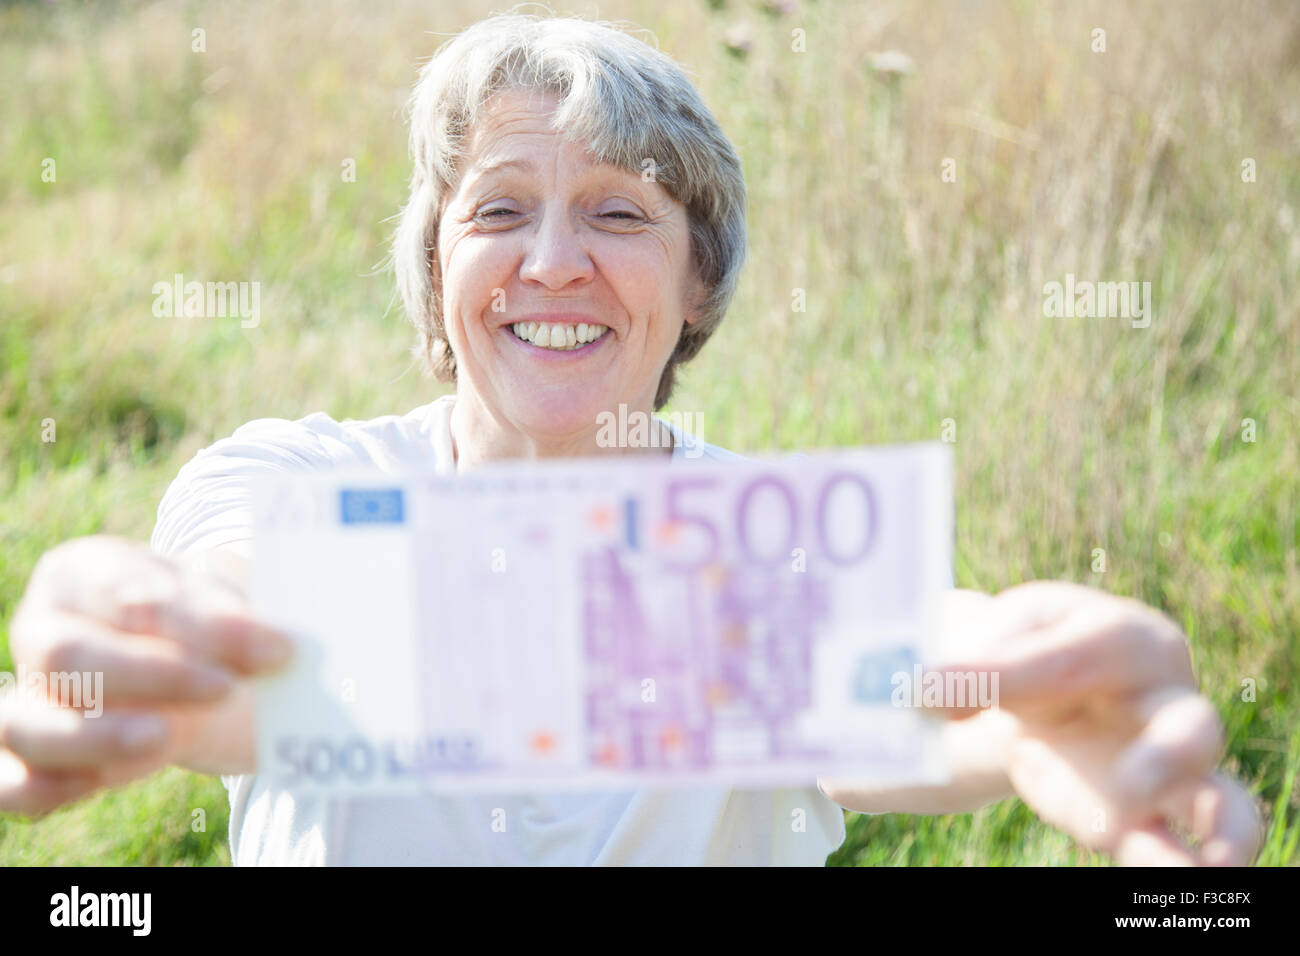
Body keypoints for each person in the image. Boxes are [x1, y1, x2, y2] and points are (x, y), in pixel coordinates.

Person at [0, 13, 1259, 865]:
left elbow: (906, 670)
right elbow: (238, 623)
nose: (552, 262)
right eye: (499, 208)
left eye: (617, 211)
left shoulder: (760, 546)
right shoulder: (288, 477)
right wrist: (153, 633)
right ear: (434, 266)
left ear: (697, 283)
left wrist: (1036, 686)